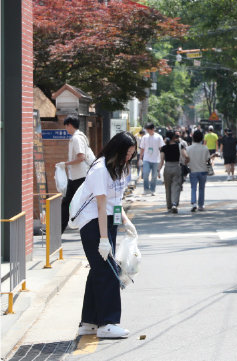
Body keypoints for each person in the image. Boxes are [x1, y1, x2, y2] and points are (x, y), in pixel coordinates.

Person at [75, 131, 138, 339]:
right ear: (117, 150)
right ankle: (107, 323)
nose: (129, 157)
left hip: (107, 221)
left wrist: (125, 223)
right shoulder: (100, 170)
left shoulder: (118, 169)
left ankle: (89, 322)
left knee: (99, 270)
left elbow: (116, 202)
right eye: (127, 153)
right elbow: (101, 206)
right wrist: (104, 240)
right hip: (92, 222)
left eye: (132, 154)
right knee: (108, 272)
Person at [58, 115, 92, 233]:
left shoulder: (76, 138)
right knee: (69, 202)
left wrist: (65, 164)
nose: (66, 129)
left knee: (70, 203)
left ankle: (60, 230)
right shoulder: (80, 136)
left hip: (79, 177)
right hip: (76, 176)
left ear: (70, 125)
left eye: (66, 126)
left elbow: (81, 157)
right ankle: (60, 229)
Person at [158, 131, 188, 213]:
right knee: (176, 186)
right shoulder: (179, 146)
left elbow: (161, 161)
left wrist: (158, 170)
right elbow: (186, 155)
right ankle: (174, 203)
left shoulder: (164, 148)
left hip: (167, 167)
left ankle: (169, 206)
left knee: (167, 187)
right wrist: (186, 162)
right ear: (174, 137)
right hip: (177, 167)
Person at [186, 130, 210, 212]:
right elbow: (207, 160)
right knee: (202, 188)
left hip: (193, 170)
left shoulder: (188, 148)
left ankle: (194, 203)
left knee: (193, 188)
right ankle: (201, 205)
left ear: (193, 138)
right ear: (202, 138)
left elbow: (186, 160)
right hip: (203, 170)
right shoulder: (205, 148)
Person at [139, 123, 165, 196]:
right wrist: (140, 158)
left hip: (156, 159)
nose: (148, 131)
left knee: (154, 176)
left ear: (153, 129)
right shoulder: (144, 137)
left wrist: (162, 158)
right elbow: (142, 148)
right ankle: (146, 189)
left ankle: (152, 190)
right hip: (146, 158)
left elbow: (161, 148)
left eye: (149, 130)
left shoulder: (159, 137)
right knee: (145, 173)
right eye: (147, 130)